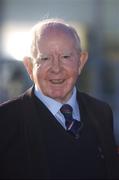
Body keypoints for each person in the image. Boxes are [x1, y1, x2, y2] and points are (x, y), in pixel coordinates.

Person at [0, 18, 118, 179]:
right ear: (29, 66)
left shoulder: (102, 113)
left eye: (66, 57)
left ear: (81, 62)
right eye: (45, 58)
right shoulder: (5, 120)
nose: (56, 68)